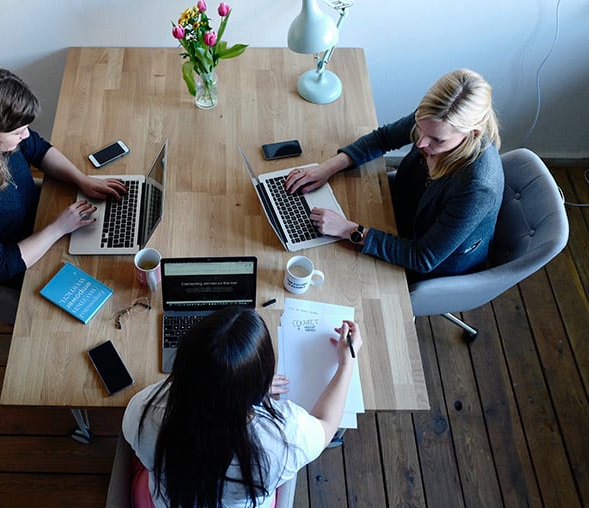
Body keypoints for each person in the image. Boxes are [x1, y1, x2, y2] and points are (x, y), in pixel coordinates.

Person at [122, 306, 362, 508]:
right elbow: (326, 424)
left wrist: (234, 386)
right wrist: (346, 362)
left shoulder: (143, 409)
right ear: (262, 380)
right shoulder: (285, 438)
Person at [285, 68, 504, 281]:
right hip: (402, 213)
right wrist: (327, 168)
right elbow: (384, 138)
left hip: (431, 263)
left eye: (437, 140)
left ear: (472, 134)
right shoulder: (433, 119)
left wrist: (348, 229)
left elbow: (423, 257)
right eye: (420, 128)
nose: (421, 143)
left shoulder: (477, 187)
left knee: (340, 275)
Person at [0, 66, 127, 289]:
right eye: (18, 132)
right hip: (10, 261)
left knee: (110, 244)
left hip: (35, 222)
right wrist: (58, 228)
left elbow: (38, 149)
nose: (25, 135)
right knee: (105, 275)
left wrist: (80, 179)